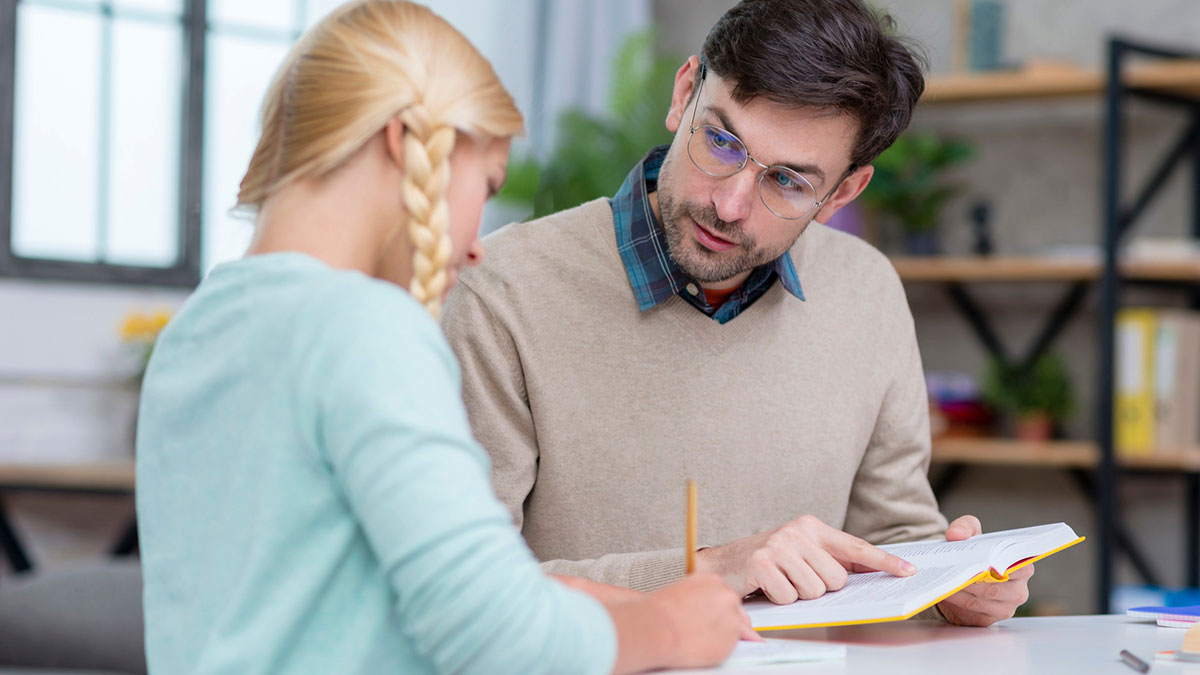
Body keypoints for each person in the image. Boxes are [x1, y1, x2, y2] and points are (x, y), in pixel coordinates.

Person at [135, 2, 751, 673]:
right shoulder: (363, 326)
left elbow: (325, 599)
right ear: (403, 142)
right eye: (484, 186)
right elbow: (493, 639)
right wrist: (669, 628)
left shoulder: (199, 328)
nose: (478, 248)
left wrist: (577, 597)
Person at [441, 0, 1031, 628]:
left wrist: (951, 589)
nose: (729, 203)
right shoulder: (501, 290)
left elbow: (893, 539)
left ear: (843, 194)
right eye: (721, 142)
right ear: (684, 95)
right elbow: (459, 586)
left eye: (788, 182)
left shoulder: (867, 291)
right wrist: (709, 571)